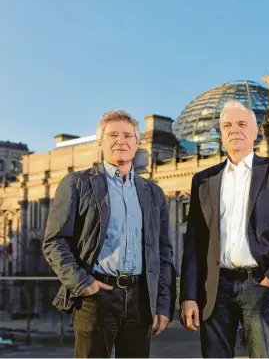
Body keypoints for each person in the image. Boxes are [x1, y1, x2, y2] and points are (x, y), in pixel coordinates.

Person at [42, 110, 177, 358]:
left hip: (140, 298)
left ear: (137, 143)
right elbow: (55, 242)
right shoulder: (77, 183)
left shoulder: (153, 192)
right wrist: (83, 283)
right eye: (112, 134)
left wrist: (163, 304)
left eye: (128, 135)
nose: (120, 140)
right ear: (100, 142)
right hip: (96, 296)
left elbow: (163, 251)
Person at [179, 100, 269, 358]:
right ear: (221, 133)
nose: (234, 130)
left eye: (241, 124)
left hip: (259, 282)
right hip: (215, 286)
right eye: (227, 125)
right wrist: (189, 296)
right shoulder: (203, 180)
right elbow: (194, 243)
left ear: (255, 131)